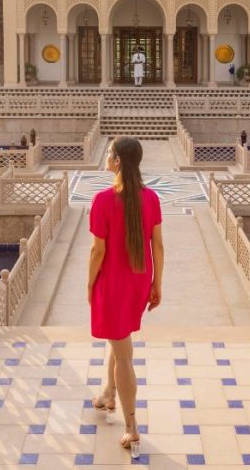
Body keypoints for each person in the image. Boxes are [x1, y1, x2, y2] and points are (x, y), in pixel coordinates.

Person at [88, 137, 164, 459]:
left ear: (118, 161)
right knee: (118, 336)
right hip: (138, 280)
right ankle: (108, 393)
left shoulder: (103, 200)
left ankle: (131, 425)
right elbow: (157, 246)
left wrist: (90, 284)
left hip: (114, 281)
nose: (106, 156)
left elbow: (97, 250)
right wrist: (156, 284)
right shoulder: (151, 198)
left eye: (109, 153)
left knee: (124, 354)